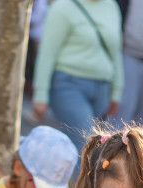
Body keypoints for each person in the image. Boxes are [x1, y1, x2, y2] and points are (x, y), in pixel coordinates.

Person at [31, 0, 123, 150]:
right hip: (68, 85)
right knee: (86, 145)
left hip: (102, 88)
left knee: (94, 149)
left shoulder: (111, 6)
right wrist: (40, 96)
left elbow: (116, 52)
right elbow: (47, 53)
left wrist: (116, 92)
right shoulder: (62, 6)